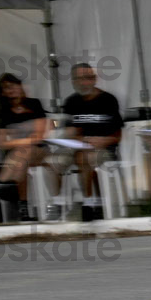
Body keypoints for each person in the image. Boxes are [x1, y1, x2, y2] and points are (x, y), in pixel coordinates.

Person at [62, 63, 124, 221]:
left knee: (85, 158)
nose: (83, 82)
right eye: (79, 79)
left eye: (87, 78)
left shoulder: (108, 100)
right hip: (80, 148)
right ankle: (56, 205)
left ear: (94, 79)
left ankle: (89, 203)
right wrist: (85, 141)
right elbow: (69, 134)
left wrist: (103, 141)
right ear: (73, 81)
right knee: (52, 161)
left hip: (105, 149)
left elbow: (117, 136)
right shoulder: (71, 103)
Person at [0, 73, 49, 221]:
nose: (11, 89)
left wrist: (16, 141)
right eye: (6, 88)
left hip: (39, 152)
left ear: (20, 86)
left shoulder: (34, 104)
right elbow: (1, 143)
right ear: (2, 93)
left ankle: (1, 183)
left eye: (14, 85)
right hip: (18, 158)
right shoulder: (4, 112)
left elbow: (39, 136)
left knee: (22, 154)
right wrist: (26, 140)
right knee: (21, 160)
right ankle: (23, 210)